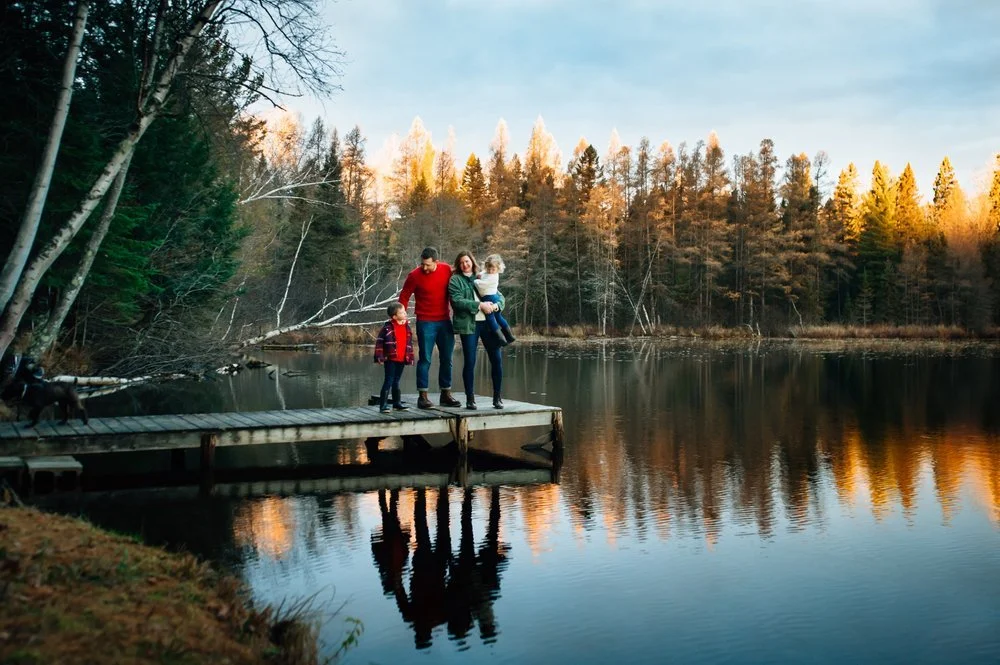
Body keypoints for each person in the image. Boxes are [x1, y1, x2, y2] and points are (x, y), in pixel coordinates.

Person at [399, 247, 463, 409]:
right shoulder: (414, 275)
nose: (424, 268)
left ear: (436, 261)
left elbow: (463, 282)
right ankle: (423, 396)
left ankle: (445, 394)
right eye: (422, 264)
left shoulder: (447, 270)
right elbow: (404, 296)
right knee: (425, 359)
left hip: (444, 321)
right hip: (425, 322)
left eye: (427, 265)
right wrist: (401, 317)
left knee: (447, 359)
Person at [448, 251, 506, 410]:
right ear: (458, 265)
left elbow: (500, 297)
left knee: (497, 360)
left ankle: (497, 397)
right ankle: (470, 398)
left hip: (489, 324)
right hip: (469, 325)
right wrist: (479, 305)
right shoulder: (455, 280)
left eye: (467, 261)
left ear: (472, 262)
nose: (465, 265)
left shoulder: (483, 276)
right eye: (461, 263)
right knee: (470, 362)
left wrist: (496, 306)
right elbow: (457, 301)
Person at [373, 302, 414, 413]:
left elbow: (409, 344)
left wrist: (410, 357)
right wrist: (379, 357)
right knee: (389, 380)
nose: (405, 313)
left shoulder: (407, 327)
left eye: (404, 311)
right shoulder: (387, 328)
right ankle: (383, 405)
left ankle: (397, 404)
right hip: (390, 359)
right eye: (402, 312)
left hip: (401, 358)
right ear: (394, 316)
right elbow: (380, 343)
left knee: (397, 381)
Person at [474, 254, 516, 346]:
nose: (490, 271)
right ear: (486, 266)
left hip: (491, 298)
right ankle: (509, 336)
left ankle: (501, 339)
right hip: (492, 297)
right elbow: (482, 274)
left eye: (493, 269)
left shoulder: (494, 277)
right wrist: (479, 275)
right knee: (498, 317)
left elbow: (482, 284)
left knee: (491, 319)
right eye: (489, 268)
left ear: (498, 269)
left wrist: (475, 281)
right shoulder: (486, 273)